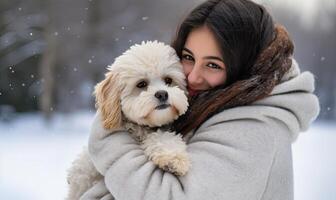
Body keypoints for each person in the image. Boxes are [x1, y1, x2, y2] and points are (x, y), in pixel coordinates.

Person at [79, 0, 320, 199]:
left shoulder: (253, 129)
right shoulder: (207, 106)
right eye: (188, 57)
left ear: (245, 68)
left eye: (213, 65)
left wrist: (108, 137)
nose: (192, 77)